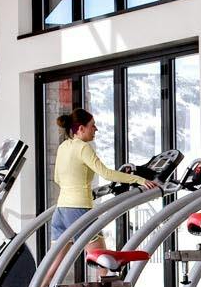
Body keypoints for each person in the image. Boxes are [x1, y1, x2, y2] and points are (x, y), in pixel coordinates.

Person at [50, 109, 160, 261]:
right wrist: (140, 180)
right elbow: (106, 173)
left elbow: (57, 178)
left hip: (61, 210)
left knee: (52, 266)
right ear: (81, 129)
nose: (96, 129)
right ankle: (106, 284)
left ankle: (42, 286)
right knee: (104, 261)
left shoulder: (63, 147)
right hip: (79, 209)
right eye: (92, 125)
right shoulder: (83, 147)